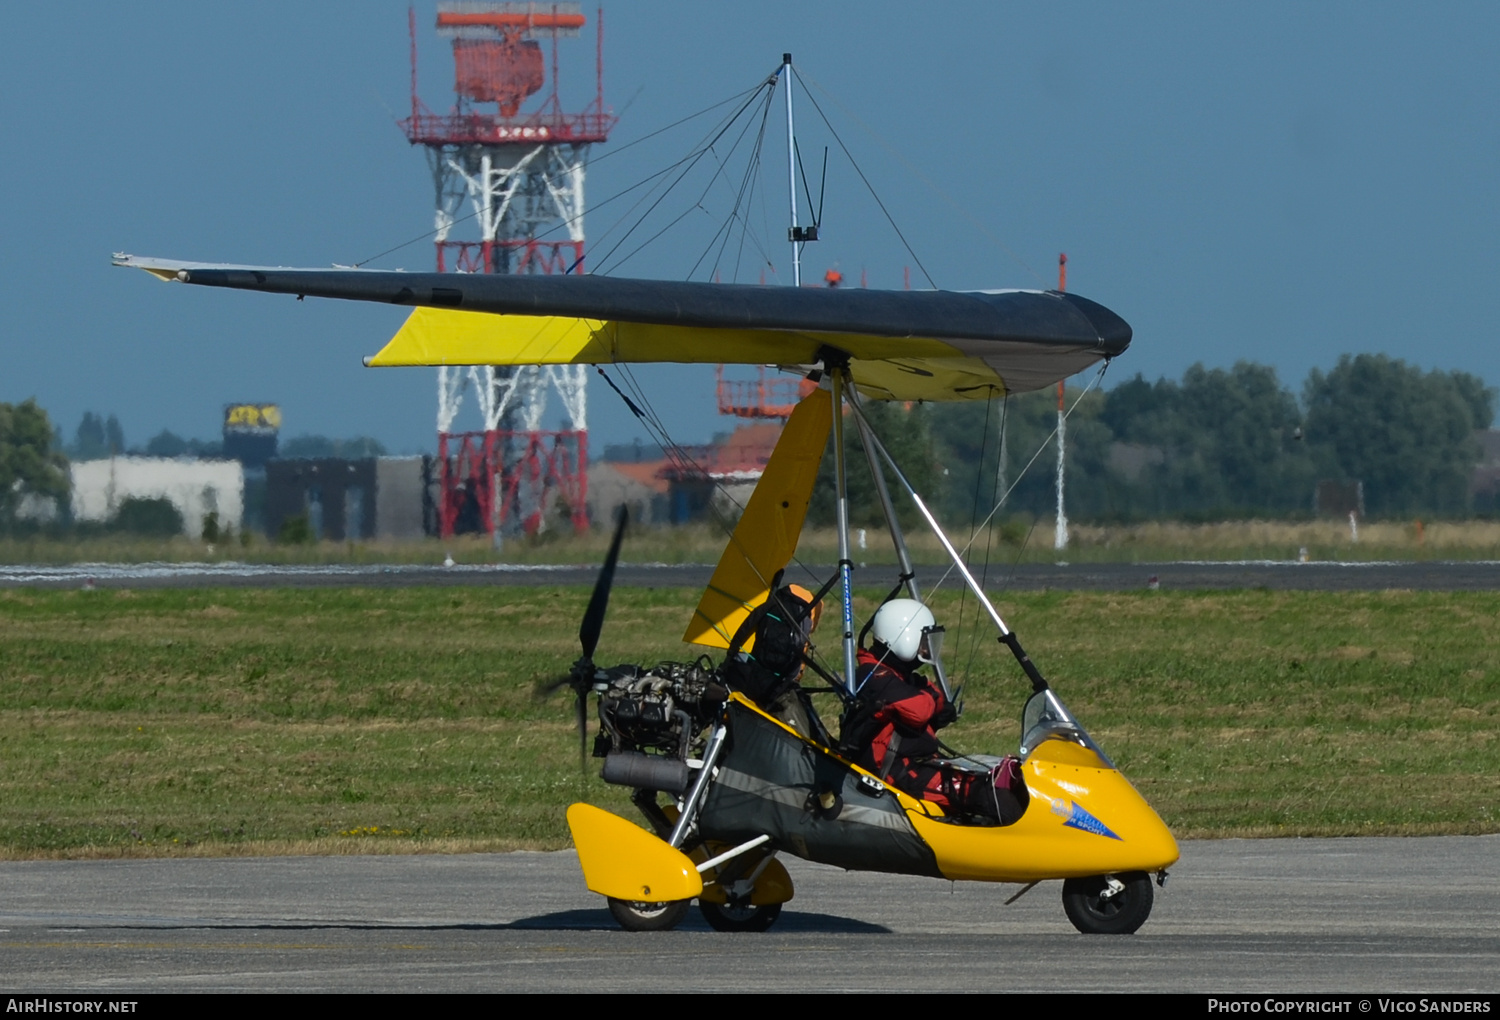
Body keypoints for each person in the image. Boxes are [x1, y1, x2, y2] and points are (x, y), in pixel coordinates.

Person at [840, 599, 1027, 825]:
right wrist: (931, 701)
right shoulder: (872, 676)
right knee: (985, 793)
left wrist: (931, 700)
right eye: (922, 641)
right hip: (897, 773)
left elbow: (934, 695)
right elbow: (920, 709)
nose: (926, 648)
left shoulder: (898, 675)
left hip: (917, 764)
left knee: (1007, 777)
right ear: (902, 636)